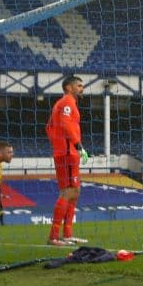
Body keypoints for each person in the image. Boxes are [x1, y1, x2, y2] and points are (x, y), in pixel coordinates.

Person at [46, 75, 90, 246]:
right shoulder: (67, 102)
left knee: (75, 191)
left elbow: (49, 127)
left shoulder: (65, 103)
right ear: (69, 88)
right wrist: (76, 145)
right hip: (67, 152)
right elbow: (64, 124)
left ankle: (67, 234)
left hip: (66, 151)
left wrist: (58, 143)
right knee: (68, 191)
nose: (81, 88)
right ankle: (54, 236)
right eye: (79, 85)